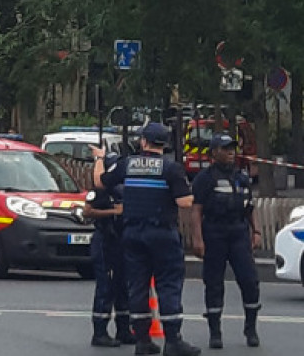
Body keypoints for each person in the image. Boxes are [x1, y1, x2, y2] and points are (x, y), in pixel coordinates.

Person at [92, 122, 201, 356]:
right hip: (161, 233)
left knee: (138, 285)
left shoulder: (127, 164)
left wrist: (100, 158)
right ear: (165, 144)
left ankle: (142, 341)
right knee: (168, 283)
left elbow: (100, 182)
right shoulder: (171, 168)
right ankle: (173, 341)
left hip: (132, 234)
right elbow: (185, 202)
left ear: (143, 142)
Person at [191, 133, 261, 349]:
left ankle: (251, 329)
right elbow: (196, 210)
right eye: (225, 148)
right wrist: (197, 238)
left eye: (232, 148)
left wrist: (256, 231)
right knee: (213, 282)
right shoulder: (205, 178)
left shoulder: (241, 177)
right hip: (214, 232)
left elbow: (249, 206)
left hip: (238, 232)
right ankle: (215, 332)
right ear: (214, 153)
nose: (231, 152)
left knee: (249, 281)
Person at [84, 152, 135, 347]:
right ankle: (100, 331)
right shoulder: (100, 190)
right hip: (105, 240)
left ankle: (123, 329)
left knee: (123, 286)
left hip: (122, 241)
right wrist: (113, 211)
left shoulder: (125, 189)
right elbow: (87, 211)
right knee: (106, 287)